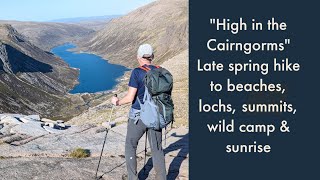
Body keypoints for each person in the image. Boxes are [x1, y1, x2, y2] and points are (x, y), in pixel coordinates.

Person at [112, 44, 166, 180]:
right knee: (157, 149)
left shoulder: (137, 72)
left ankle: (133, 178)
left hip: (139, 117)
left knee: (130, 145)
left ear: (139, 57)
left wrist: (117, 102)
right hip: (156, 116)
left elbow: (130, 97)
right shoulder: (161, 71)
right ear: (152, 57)